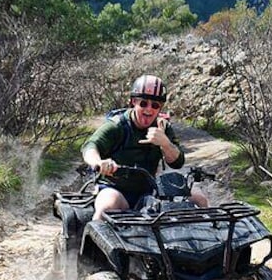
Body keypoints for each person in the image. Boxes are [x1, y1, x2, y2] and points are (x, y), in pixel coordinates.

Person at [82, 74, 208, 220]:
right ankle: (91, 241)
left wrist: (165, 143)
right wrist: (99, 163)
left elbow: (177, 162)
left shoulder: (163, 127)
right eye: (143, 103)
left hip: (150, 192)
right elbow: (90, 146)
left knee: (199, 199)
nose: (149, 109)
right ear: (134, 102)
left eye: (155, 105)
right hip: (116, 189)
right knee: (106, 208)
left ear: (160, 107)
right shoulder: (117, 126)